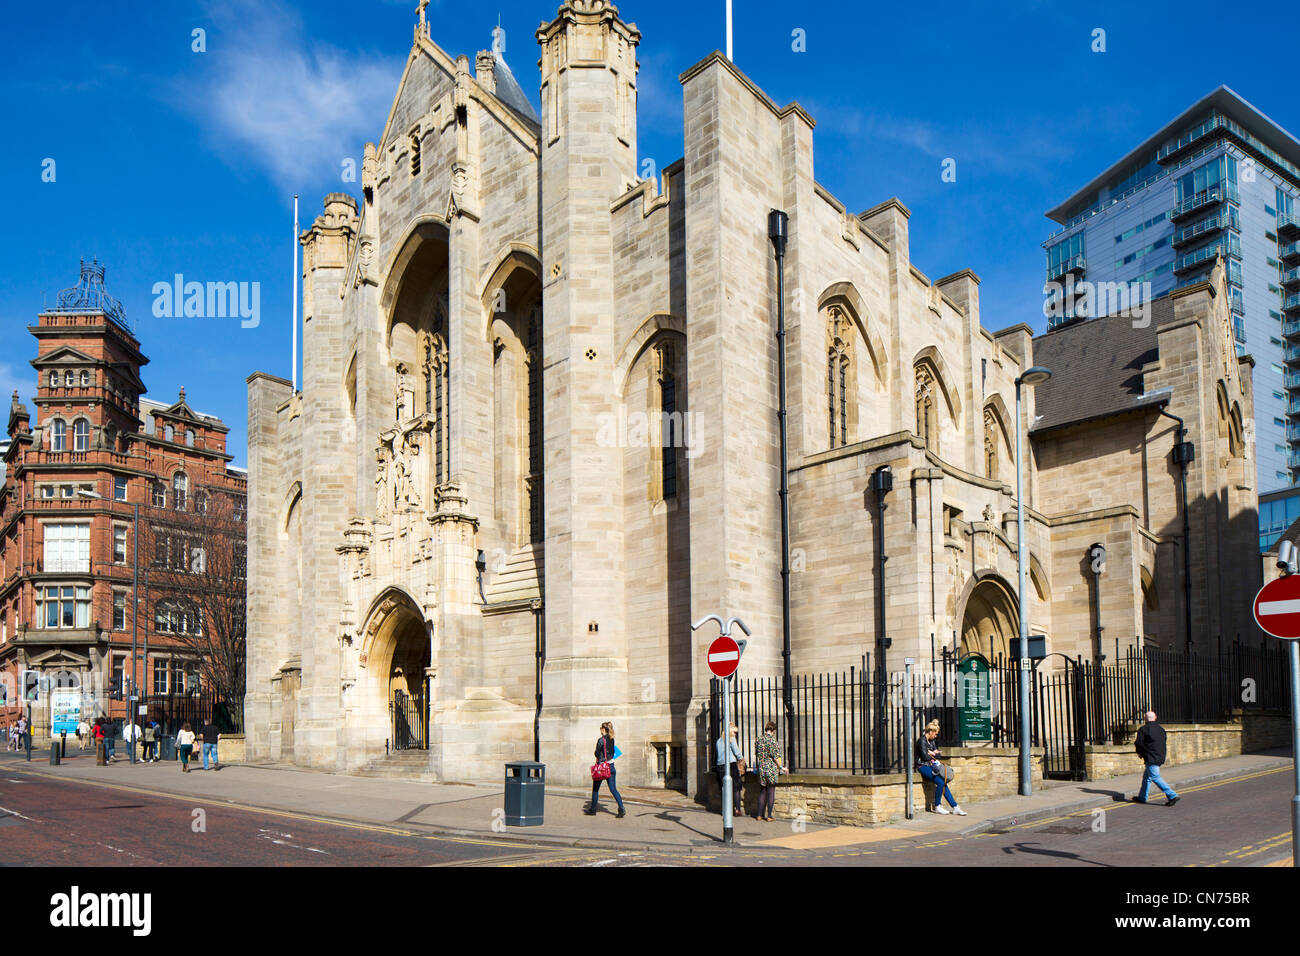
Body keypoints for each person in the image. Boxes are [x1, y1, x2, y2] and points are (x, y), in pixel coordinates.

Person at [915, 720, 966, 816]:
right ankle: (937, 806)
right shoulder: (921, 741)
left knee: (943, 783)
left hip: (932, 765)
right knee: (940, 782)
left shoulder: (932, 741)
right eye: (935, 734)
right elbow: (924, 757)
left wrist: (932, 753)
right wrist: (932, 753)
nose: (936, 736)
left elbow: (938, 756)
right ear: (930, 732)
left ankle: (955, 807)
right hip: (922, 766)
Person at [1133, 711, 1179, 806]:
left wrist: (1140, 753)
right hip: (1160, 756)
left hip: (1150, 757)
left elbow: (1139, 743)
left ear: (1145, 719)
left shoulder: (1143, 729)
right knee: (1147, 777)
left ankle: (1172, 795)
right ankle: (1142, 797)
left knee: (1155, 777)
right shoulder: (1161, 729)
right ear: (1156, 717)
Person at [584, 721, 625, 817]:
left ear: (603, 729)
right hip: (611, 767)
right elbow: (613, 752)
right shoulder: (612, 738)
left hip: (602, 768)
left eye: (600, 729)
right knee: (613, 789)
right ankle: (621, 809)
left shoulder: (601, 740)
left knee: (595, 789)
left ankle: (593, 810)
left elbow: (597, 754)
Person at [754, 720, 788, 822]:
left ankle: (759, 815)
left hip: (761, 767)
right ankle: (769, 815)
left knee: (762, 790)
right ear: (773, 730)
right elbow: (776, 757)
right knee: (771, 790)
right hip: (770, 768)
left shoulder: (759, 739)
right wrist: (782, 767)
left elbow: (756, 753)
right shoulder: (772, 741)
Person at [715, 722, 744, 817]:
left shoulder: (718, 741)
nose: (735, 734)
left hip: (720, 766)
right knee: (736, 788)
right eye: (734, 732)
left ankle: (725, 810)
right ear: (730, 731)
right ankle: (737, 810)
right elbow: (737, 752)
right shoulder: (731, 739)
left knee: (724, 788)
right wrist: (741, 759)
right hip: (730, 765)